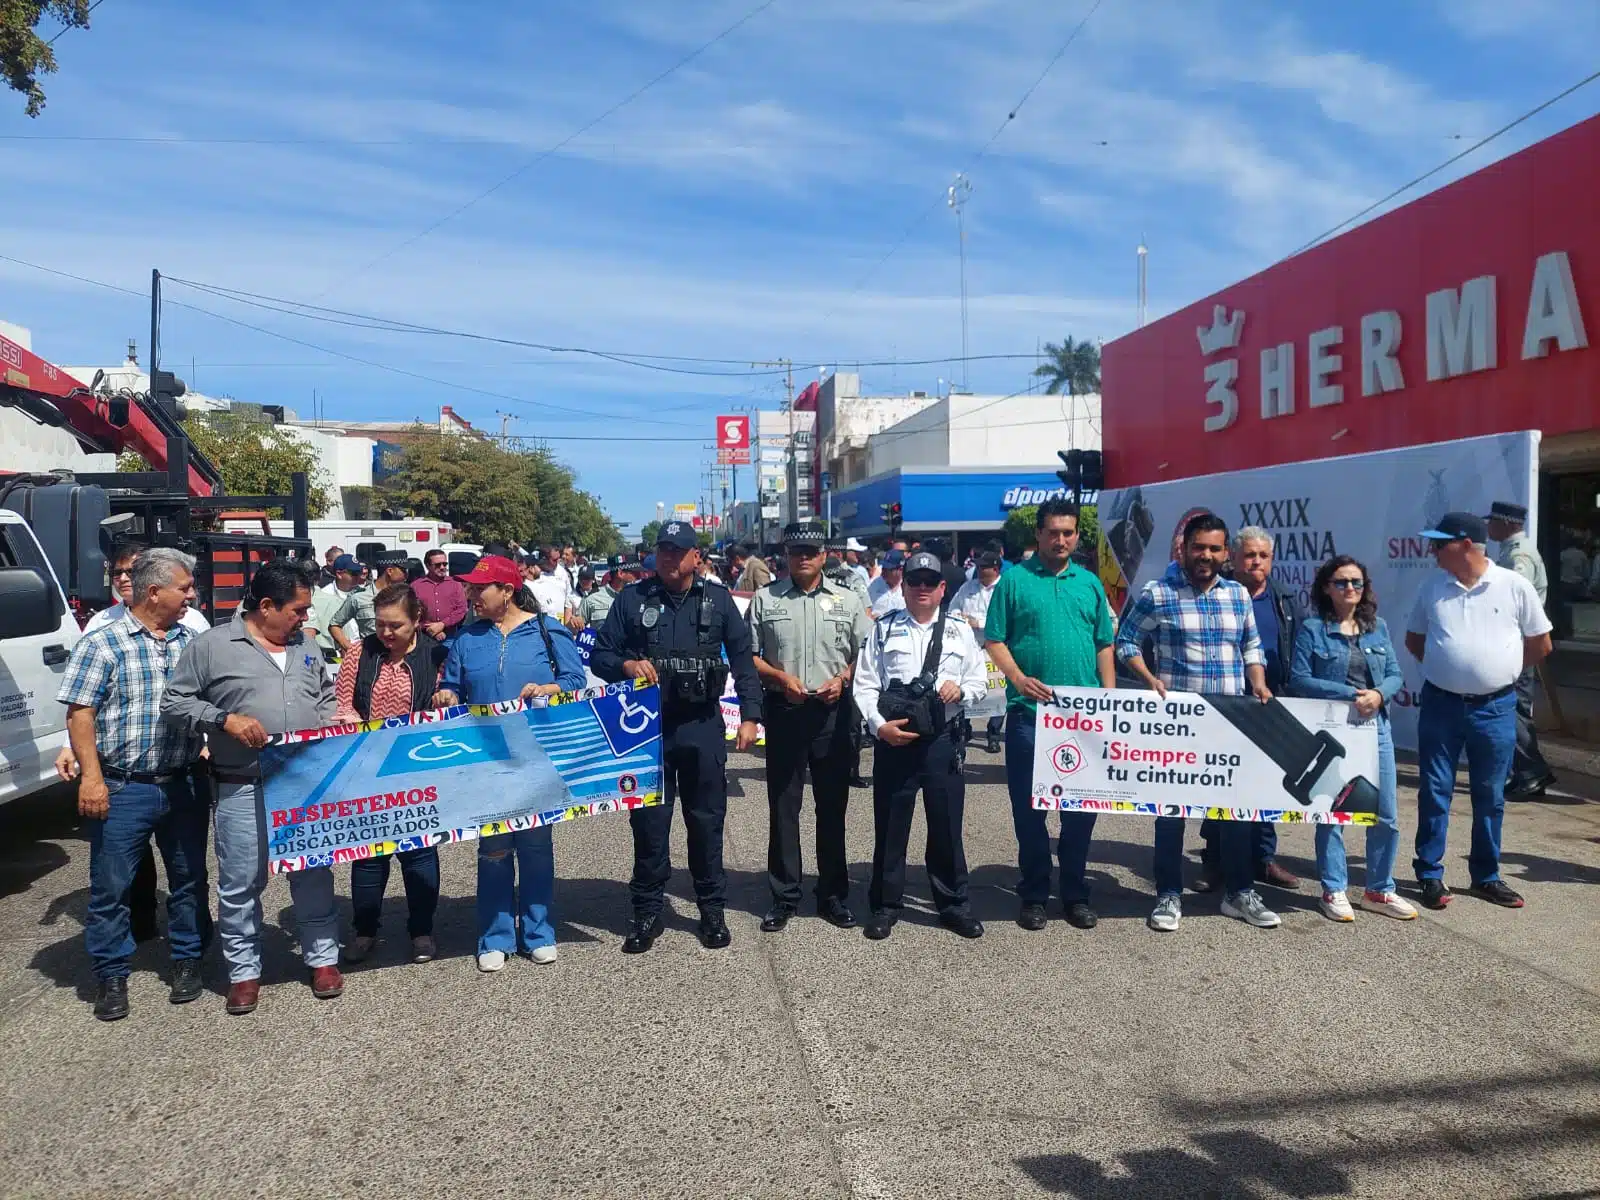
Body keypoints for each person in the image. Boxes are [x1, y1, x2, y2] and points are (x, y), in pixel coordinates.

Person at [162, 559, 342, 1015]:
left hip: (304, 784)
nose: (305, 619)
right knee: (242, 880)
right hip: (241, 785)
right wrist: (224, 720)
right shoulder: (211, 647)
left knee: (314, 870)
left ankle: (323, 959)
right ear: (266, 606)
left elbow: (323, 695)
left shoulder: (306, 646)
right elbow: (175, 700)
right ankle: (244, 972)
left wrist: (326, 728)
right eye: (299, 610)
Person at [591, 521, 761, 953]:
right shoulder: (633, 600)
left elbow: (743, 661)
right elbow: (601, 654)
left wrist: (749, 717)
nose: (668, 557)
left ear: (696, 557)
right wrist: (627, 666)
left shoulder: (719, 601)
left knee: (706, 824)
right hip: (647, 732)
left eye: (677, 550)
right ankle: (647, 912)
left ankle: (711, 910)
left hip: (701, 729)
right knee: (649, 826)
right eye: (662, 550)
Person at [57, 548, 209, 1021]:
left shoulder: (191, 641)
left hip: (183, 782)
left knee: (188, 879)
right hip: (125, 787)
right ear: (153, 591)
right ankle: (111, 973)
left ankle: (186, 960)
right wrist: (92, 778)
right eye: (184, 588)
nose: (191, 596)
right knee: (111, 886)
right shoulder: (103, 642)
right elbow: (81, 711)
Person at [1115, 513, 1282, 933]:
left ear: (1226, 553)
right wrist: (1148, 678)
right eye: (1198, 547)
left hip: (1231, 721)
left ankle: (1239, 893)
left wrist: (1258, 683)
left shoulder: (1237, 596)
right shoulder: (1158, 593)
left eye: (1214, 548)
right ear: (1184, 548)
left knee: (1237, 813)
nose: (1205, 555)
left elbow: (1252, 646)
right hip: (1180, 725)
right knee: (1171, 814)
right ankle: (1169, 894)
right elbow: (1126, 642)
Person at [432, 556, 586, 971]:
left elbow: (576, 681)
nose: (470, 594)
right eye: (469, 587)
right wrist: (446, 696)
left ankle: (539, 932)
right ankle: (494, 937)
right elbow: (451, 685)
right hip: (486, 761)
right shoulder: (466, 638)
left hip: (536, 758)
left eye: (479, 588)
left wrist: (547, 687)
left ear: (506, 590)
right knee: (494, 849)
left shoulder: (547, 631)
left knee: (536, 847)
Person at [1405, 512, 1552, 910]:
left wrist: (1499, 672)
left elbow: (1541, 644)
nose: (1432, 550)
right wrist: (1450, 671)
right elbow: (1415, 640)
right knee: (1435, 791)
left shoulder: (1513, 585)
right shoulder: (1432, 587)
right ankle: (1430, 874)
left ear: (1466, 544)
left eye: (1440, 543)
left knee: (1490, 794)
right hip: (1442, 705)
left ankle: (1486, 876)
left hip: (1495, 707)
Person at [984, 502, 1117, 931]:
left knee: (1080, 811)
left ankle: (1075, 892)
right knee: (1030, 811)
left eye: (1069, 533)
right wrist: (1018, 679)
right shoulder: (1015, 582)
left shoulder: (1090, 584)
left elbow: (1103, 644)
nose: (1061, 540)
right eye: (1053, 532)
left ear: (1077, 536)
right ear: (1038, 536)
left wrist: (1110, 699)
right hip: (1031, 716)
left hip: (1084, 719)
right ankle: (1035, 891)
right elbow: (995, 639)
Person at [853, 551, 988, 941]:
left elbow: (980, 683)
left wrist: (961, 689)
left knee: (946, 827)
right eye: (915, 582)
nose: (923, 589)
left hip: (942, 742)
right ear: (904, 587)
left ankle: (953, 905)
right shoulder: (883, 629)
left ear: (944, 588)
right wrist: (879, 727)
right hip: (894, 740)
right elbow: (864, 684)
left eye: (931, 582)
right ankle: (885, 905)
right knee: (891, 828)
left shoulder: (960, 631)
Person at [747, 521, 873, 932]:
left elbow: (867, 654)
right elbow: (749, 657)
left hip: (833, 715)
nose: (803, 557)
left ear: (824, 555)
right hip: (785, 711)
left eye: (811, 551)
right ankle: (784, 896)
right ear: (785, 556)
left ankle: (833, 895)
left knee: (832, 807)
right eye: (795, 551)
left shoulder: (848, 600)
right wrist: (781, 680)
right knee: (784, 807)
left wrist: (844, 679)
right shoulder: (766, 600)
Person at [1289, 557, 1417, 922]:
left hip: (1375, 730)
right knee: (1334, 810)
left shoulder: (1379, 628)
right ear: (1327, 587)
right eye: (1342, 583)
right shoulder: (1312, 630)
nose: (1350, 590)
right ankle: (1333, 889)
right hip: (1334, 731)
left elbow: (1394, 674)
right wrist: (1349, 693)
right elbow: (1300, 678)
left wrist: (1378, 694)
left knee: (1386, 813)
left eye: (1357, 583)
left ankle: (1379, 889)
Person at [334, 584, 450, 964]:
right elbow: (343, 703)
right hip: (366, 768)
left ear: (416, 621)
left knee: (419, 853)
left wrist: (443, 700)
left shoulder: (435, 656)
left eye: (395, 626)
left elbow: (444, 704)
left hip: (414, 769)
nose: (385, 633)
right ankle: (365, 929)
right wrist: (356, 727)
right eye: (381, 625)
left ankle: (421, 931)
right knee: (368, 856)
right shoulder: (360, 652)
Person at [1198, 527, 1304, 892]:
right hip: (1227, 703)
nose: (1256, 562)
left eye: (1263, 556)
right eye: (1249, 555)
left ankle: (1264, 858)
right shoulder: (1220, 593)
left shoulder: (1285, 599)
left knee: (1266, 784)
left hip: (1271, 705)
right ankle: (1214, 859)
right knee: (1221, 782)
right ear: (1234, 557)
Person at [1485, 501, 1558, 800]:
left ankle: (1531, 771)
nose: (1488, 527)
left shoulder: (1520, 556)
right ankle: (1526, 772)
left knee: (1513, 708)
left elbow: (1517, 600)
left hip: (1516, 643)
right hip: (1512, 642)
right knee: (1510, 708)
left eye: (1492, 521)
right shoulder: (1510, 551)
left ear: (1507, 523)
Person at [950, 552, 1005, 754]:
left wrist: (979, 622)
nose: (980, 571)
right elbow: (954, 609)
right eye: (979, 567)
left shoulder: (1004, 588)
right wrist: (961, 618)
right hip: (971, 648)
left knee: (998, 692)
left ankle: (993, 734)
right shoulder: (968, 587)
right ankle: (967, 729)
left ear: (996, 569)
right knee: (969, 687)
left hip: (997, 648)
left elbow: (1007, 618)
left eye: (984, 567)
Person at [325, 553, 377, 654]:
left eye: (359, 572)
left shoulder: (366, 594)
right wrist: (349, 648)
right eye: (354, 573)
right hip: (337, 654)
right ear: (339, 574)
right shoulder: (325, 595)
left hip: (365, 651)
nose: (359, 576)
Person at [412, 548, 468, 640]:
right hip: (423, 637)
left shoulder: (455, 584)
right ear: (427, 566)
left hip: (450, 636)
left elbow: (462, 609)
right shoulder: (416, 586)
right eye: (438, 565)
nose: (442, 567)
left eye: (445, 564)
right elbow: (411, 613)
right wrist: (430, 628)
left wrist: (442, 624)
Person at [582, 558, 634, 628]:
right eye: (633, 572)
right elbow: (574, 629)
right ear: (620, 573)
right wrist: (575, 622)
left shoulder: (636, 598)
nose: (637, 575)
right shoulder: (593, 598)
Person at [867, 550, 906, 619]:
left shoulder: (909, 586)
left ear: (900, 569)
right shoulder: (874, 584)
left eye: (888, 569)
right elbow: (866, 608)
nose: (883, 572)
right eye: (883, 568)